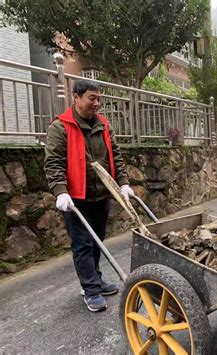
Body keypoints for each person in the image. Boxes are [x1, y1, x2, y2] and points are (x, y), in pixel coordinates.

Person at [44, 80, 135, 312]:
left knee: (97, 239)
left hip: (100, 194)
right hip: (76, 197)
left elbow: (115, 155)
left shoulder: (104, 124)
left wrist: (123, 183)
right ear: (76, 97)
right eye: (92, 98)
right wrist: (60, 192)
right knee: (82, 243)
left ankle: (95, 278)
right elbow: (53, 162)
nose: (97, 103)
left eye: (99, 98)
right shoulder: (60, 126)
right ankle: (90, 289)